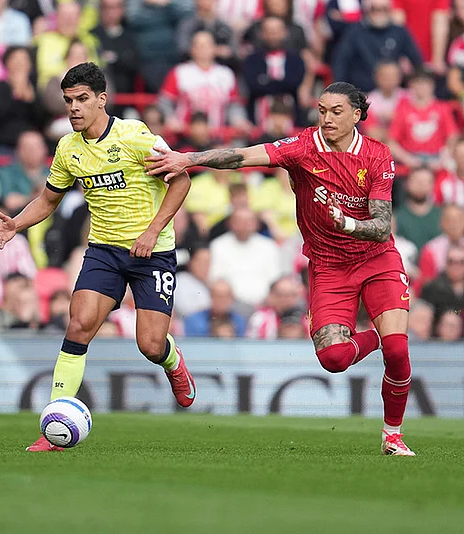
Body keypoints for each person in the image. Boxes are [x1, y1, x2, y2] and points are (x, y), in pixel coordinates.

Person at [146, 81, 416, 456]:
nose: (327, 118)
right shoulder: (304, 147)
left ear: (357, 115)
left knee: (398, 351)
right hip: (328, 266)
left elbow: (382, 226)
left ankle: (392, 435)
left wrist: (347, 224)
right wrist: (188, 159)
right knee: (334, 359)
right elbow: (242, 156)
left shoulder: (377, 155)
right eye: (322, 110)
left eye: (336, 111)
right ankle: (381, 334)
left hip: (376, 259)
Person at [0, 62, 195, 452]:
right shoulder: (68, 149)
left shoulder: (136, 137)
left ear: (102, 100)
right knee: (79, 325)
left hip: (153, 253)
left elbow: (181, 179)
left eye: (82, 99)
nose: (73, 108)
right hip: (104, 251)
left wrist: (153, 231)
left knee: (151, 345)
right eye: (68, 101)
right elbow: (49, 199)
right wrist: (16, 224)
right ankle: (53, 423)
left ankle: (173, 362)